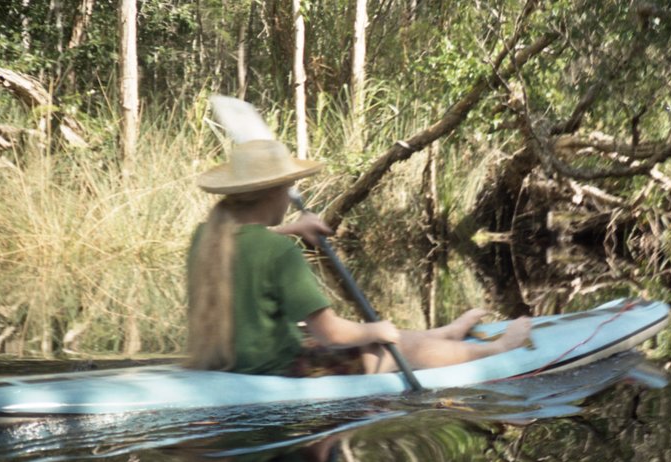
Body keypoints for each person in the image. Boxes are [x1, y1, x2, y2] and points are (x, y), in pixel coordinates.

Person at [187, 138, 530, 375]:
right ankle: (496, 351)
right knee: (386, 349)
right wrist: (373, 330)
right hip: (282, 368)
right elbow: (331, 335)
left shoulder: (206, 236)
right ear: (275, 192)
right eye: (288, 187)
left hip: (241, 359)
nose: (291, 196)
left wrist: (293, 227)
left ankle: (447, 334)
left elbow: (248, 243)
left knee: (391, 335)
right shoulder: (280, 254)